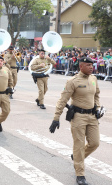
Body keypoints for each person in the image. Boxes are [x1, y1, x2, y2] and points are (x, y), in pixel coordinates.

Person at [49, 57, 101, 185]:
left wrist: (98, 108)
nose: (91, 67)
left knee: (95, 143)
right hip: (78, 117)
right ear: (81, 66)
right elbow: (62, 100)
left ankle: (77, 156)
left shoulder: (93, 79)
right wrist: (56, 118)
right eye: (88, 65)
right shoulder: (73, 81)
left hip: (92, 116)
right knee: (78, 145)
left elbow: (96, 95)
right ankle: (80, 175)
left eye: (92, 65)